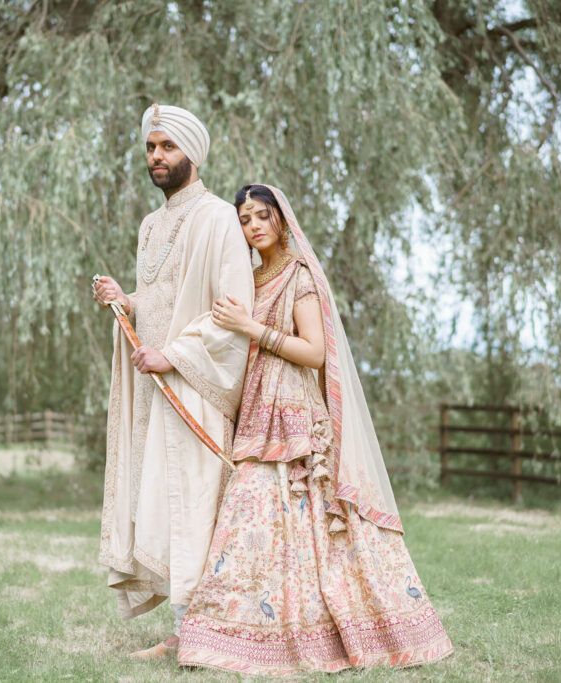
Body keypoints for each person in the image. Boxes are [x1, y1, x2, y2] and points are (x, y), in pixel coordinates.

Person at [176, 184, 454, 675]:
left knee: (314, 523)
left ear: (281, 219)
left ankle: (358, 626)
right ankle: (227, 633)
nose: (254, 226)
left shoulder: (298, 276)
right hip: (258, 413)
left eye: (262, 215)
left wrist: (250, 328)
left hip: (297, 416)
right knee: (248, 521)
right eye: (244, 219)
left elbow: (314, 352)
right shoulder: (250, 279)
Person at [93, 104, 254, 659]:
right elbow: (163, 297)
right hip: (155, 389)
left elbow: (234, 309)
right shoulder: (150, 225)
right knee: (166, 506)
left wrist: (175, 356)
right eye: (150, 147)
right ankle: (188, 633)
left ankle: (204, 635)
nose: (156, 156)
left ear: (193, 152)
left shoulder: (219, 217)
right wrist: (127, 301)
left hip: (196, 385)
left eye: (167, 147)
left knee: (196, 507)